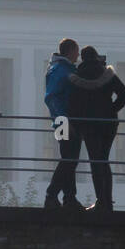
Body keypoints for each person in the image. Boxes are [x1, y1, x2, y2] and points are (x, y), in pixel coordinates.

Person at [67, 46, 125, 212]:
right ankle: (108, 201)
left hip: (89, 124)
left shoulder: (77, 76)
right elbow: (124, 93)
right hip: (109, 123)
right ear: (96, 57)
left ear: (83, 58)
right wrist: (112, 109)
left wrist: (74, 123)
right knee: (104, 160)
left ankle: (101, 201)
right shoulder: (107, 74)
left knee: (95, 161)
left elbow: (72, 103)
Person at [43, 39, 84, 210]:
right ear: (70, 51)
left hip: (61, 120)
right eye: (77, 51)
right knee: (69, 159)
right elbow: (52, 97)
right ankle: (53, 195)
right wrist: (64, 119)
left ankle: (69, 197)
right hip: (65, 120)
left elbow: (52, 96)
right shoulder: (62, 70)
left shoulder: (58, 69)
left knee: (69, 158)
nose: (78, 55)